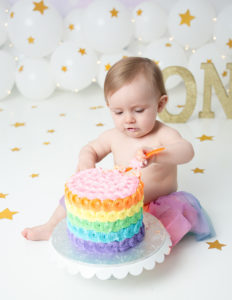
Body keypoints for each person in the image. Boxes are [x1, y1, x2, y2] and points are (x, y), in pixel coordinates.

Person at [22, 57, 214, 246]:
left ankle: (148, 247)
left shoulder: (163, 134)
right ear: (109, 108)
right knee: (73, 200)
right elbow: (90, 148)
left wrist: (156, 154)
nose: (128, 119)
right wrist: (86, 161)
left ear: (160, 104)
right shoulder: (113, 136)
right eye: (119, 112)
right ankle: (51, 226)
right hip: (120, 207)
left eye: (138, 110)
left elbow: (186, 151)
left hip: (157, 204)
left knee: (160, 230)